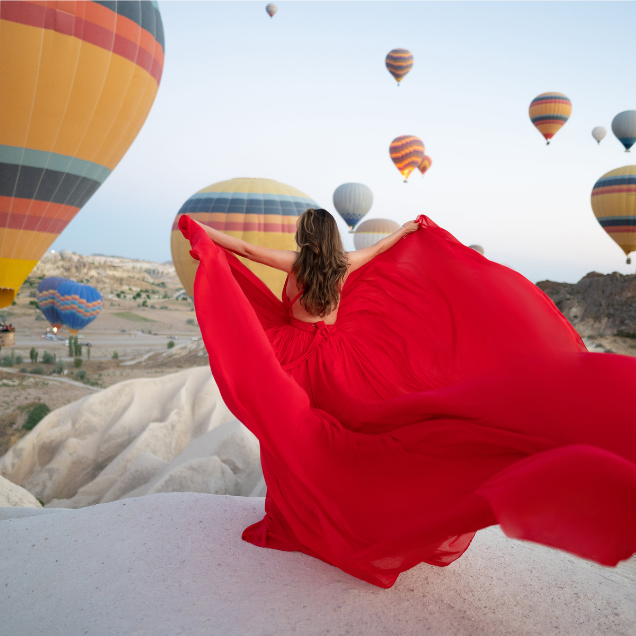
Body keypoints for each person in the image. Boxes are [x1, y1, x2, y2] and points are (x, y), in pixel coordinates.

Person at [181, 208, 636, 589]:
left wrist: (198, 230)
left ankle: (296, 519)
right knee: (342, 440)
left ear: (304, 237)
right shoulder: (344, 264)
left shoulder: (296, 265)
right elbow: (381, 249)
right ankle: (343, 517)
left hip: (294, 358)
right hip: (338, 360)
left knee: (288, 439)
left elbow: (239, 249)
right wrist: (407, 230)